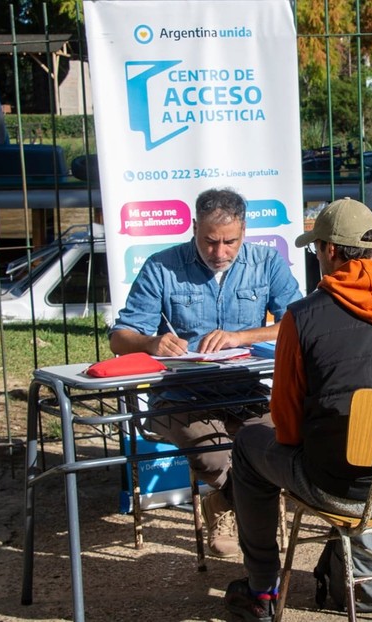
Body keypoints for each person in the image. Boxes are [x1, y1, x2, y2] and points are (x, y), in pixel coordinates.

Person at [223, 197, 372, 621]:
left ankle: (261, 590)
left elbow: (288, 424)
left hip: (341, 487)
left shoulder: (302, 317)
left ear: (330, 251)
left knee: (247, 444)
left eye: (315, 249)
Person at [109, 187, 302, 558]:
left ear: (245, 231)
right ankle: (240, 522)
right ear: (194, 227)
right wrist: (152, 343)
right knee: (213, 458)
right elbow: (120, 338)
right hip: (180, 395)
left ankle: (223, 506)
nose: (220, 252)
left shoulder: (267, 262)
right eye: (210, 241)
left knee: (275, 451)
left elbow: (297, 322)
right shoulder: (162, 266)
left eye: (230, 242)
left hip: (245, 392)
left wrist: (242, 336)